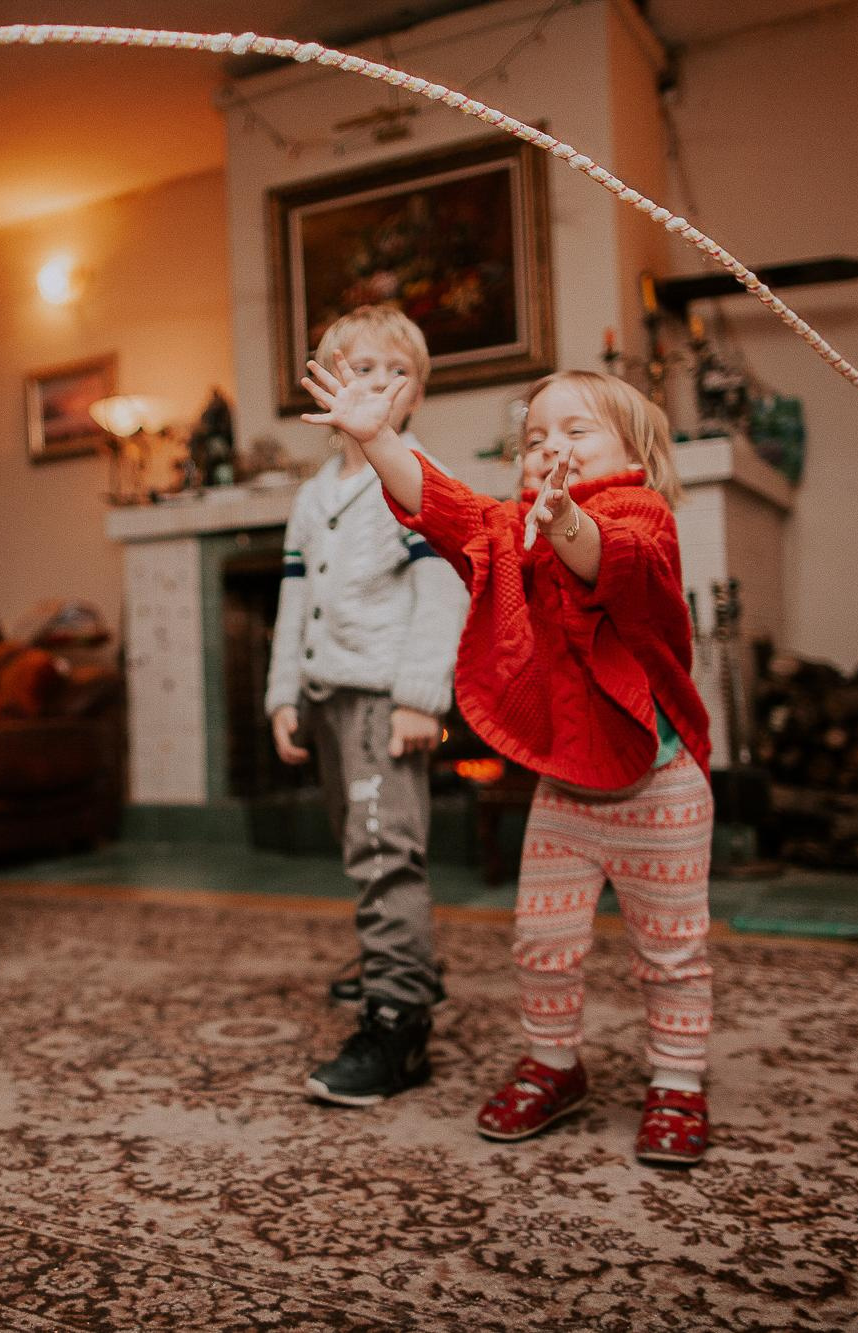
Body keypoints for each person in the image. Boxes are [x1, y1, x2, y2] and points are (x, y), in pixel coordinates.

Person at [300, 359, 716, 1166]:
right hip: (567, 788)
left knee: (670, 947)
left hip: (660, 784)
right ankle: (554, 1063)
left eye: (576, 430)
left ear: (635, 452)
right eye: (535, 437)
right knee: (541, 940)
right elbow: (446, 509)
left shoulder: (643, 513)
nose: (549, 446)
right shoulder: (514, 525)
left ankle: (676, 1080)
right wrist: (379, 439)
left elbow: (615, 558)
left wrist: (564, 520)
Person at [266, 305, 469, 1107]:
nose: (379, 383)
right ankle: (401, 962)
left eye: (396, 371)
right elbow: (294, 597)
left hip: (386, 698)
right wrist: (284, 691)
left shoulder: (413, 476)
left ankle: (398, 1019)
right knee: (360, 842)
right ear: (327, 384)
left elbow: (443, 588)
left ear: (416, 394)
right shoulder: (315, 494)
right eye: (361, 367)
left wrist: (419, 696)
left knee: (387, 852)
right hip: (327, 696)